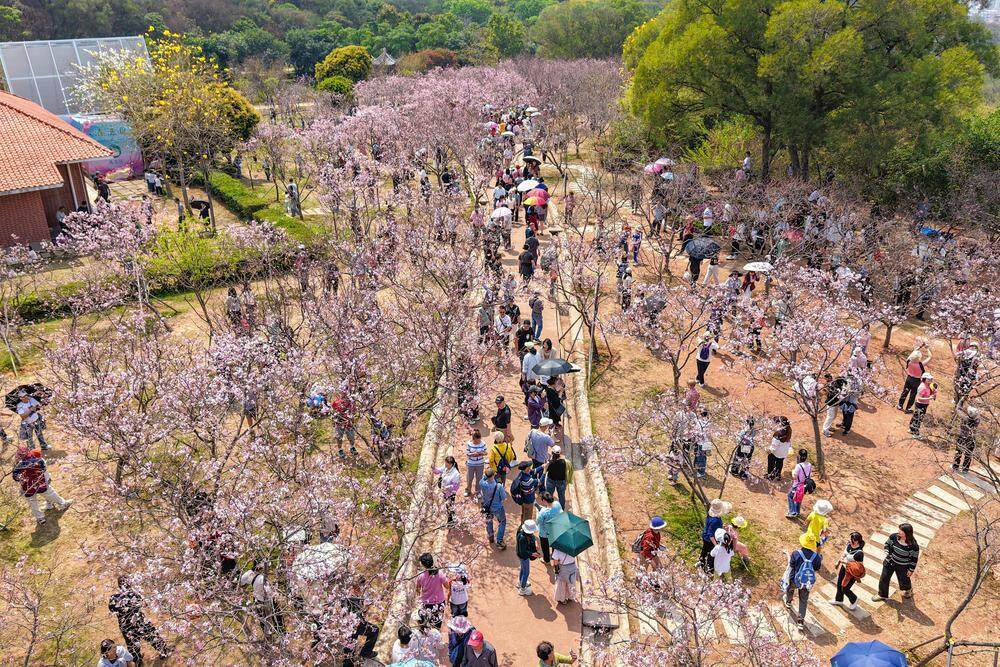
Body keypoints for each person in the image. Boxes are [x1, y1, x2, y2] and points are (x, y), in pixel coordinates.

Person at [108, 577, 170, 666]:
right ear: (129, 584)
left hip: (126, 627)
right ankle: (163, 651)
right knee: (152, 636)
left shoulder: (113, 598)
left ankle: (138, 662)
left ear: (119, 585)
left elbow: (112, 609)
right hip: (139, 622)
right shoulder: (134, 594)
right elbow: (141, 603)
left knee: (132, 646)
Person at [12, 448, 72, 524]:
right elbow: (44, 470)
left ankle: (40, 518)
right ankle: (63, 503)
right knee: (51, 494)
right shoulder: (38, 460)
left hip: (27, 487)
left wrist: (20, 477)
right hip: (39, 483)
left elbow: (15, 476)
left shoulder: (19, 464)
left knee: (33, 503)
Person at [873, 523, 919, 601]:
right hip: (890, 561)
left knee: (904, 580)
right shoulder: (894, 537)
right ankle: (882, 595)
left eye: (901, 531)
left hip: (903, 566)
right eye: (899, 530)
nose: (898, 531)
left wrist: (911, 570)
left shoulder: (913, 545)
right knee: (884, 578)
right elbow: (887, 544)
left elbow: (914, 559)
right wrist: (887, 551)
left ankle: (908, 590)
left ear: (907, 533)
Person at [783, 543, 823, 629]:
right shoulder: (816, 556)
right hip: (806, 582)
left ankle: (788, 602)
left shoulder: (796, 553)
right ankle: (800, 621)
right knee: (803, 600)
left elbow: (791, 565)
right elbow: (817, 568)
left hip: (794, 579)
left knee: (790, 589)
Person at [832, 532, 865, 609]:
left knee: (845, 588)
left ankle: (854, 599)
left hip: (852, 573)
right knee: (839, 584)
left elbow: (859, 566)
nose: (849, 540)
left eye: (851, 539)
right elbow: (844, 554)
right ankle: (839, 600)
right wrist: (839, 561)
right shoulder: (849, 545)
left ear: (856, 541)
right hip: (844, 568)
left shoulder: (859, 553)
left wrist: (844, 562)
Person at [416, 553, 448, 629]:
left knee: (427, 623)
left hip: (427, 604)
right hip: (439, 603)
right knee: (437, 624)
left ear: (423, 565)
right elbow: (447, 586)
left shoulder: (420, 576)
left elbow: (417, 589)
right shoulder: (440, 573)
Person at [898, 344, 931, 412]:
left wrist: (920, 346)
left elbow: (914, 351)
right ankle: (908, 408)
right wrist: (927, 348)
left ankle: (900, 405)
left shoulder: (909, 361)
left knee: (905, 392)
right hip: (916, 381)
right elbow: (930, 356)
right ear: (919, 357)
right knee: (913, 395)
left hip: (909, 378)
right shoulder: (921, 364)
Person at [480, 468, 507, 550]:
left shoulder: (482, 484)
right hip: (498, 508)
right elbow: (503, 497)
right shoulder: (499, 486)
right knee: (502, 522)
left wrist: (486, 474)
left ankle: (490, 536)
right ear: (493, 475)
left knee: (489, 522)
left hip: (487, 507)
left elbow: (483, 478)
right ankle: (499, 540)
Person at [699, 499, 727, 572]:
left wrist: (721, 526)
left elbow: (710, 526)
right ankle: (707, 565)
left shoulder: (711, 514)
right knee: (710, 551)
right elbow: (711, 534)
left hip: (706, 536)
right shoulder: (715, 521)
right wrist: (716, 544)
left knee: (704, 549)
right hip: (710, 539)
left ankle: (701, 560)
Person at [516, 519, 541, 595]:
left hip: (521, 555)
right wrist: (532, 554)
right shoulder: (522, 538)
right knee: (526, 572)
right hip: (523, 556)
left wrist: (535, 544)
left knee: (523, 569)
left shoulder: (522, 531)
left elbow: (532, 537)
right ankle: (523, 589)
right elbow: (523, 552)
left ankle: (520, 582)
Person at [785, 449, 813, 518]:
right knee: (799, 498)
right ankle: (797, 512)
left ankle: (792, 512)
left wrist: (792, 472)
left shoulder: (799, 466)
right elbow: (809, 475)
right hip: (804, 486)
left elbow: (794, 477)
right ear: (806, 456)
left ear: (799, 456)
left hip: (797, 485)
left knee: (790, 496)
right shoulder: (809, 465)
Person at [535, 499, 563, 564]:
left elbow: (538, 522)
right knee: (554, 545)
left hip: (544, 534)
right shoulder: (557, 504)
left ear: (544, 500)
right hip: (555, 531)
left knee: (545, 547)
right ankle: (554, 556)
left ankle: (547, 561)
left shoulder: (543, 512)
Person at [953, 405, 979, 472]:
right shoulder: (977, 421)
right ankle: (965, 469)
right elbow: (975, 416)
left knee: (958, 452)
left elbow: (958, 409)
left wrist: (962, 403)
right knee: (968, 454)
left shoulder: (964, 418)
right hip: (971, 438)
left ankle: (955, 466)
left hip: (962, 437)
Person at [436, 456, 461, 525]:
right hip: (444, 491)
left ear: (451, 464)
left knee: (449, 505)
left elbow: (456, 486)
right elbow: (439, 470)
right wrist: (433, 468)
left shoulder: (456, 474)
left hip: (450, 493)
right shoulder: (446, 467)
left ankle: (451, 520)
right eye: (445, 463)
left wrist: (447, 487)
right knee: (448, 505)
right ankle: (452, 517)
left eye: (447, 464)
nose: (445, 465)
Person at [464, 430, 487, 498]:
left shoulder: (483, 443)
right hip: (471, 463)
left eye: (479, 440)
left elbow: (485, 452)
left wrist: (480, 453)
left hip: (480, 463)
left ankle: (478, 491)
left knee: (479, 478)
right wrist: (472, 454)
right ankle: (468, 490)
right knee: (469, 477)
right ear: (473, 439)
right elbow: (467, 453)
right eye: (476, 441)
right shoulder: (469, 444)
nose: (478, 442)